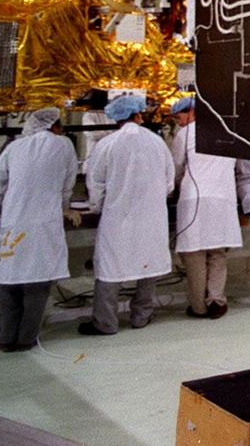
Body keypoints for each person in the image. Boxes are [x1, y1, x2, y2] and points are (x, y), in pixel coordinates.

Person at [0, 107, 79, 352]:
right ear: (55, 126)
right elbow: (68, 183)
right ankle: (26, 338)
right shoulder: (64, 145)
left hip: (14, 222)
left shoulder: (14, 148)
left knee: (9, 282)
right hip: (44, 224)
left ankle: (5, 339)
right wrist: (66, 207)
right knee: (36, 285)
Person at [78, 95, 174, 336]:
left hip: (117, 216)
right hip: (152, 216)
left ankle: (105, 323)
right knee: (147, 264)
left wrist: (96, 205)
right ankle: (141, 316)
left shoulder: (107, 144)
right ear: (138, 115)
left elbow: (96, 182)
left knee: (110, 269)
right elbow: (169, 182)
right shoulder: (157, 142)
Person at [169, 97, 241, 319]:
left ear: (191, 112)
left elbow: (176, 167)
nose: (179, 123)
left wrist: (175, 186)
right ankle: (217, 300)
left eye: (179, 117)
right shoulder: (228, 131)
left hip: (195, 199)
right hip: (223, 197)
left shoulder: (185, 134)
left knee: (195, 255)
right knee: (218, 252)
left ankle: (199, 307)